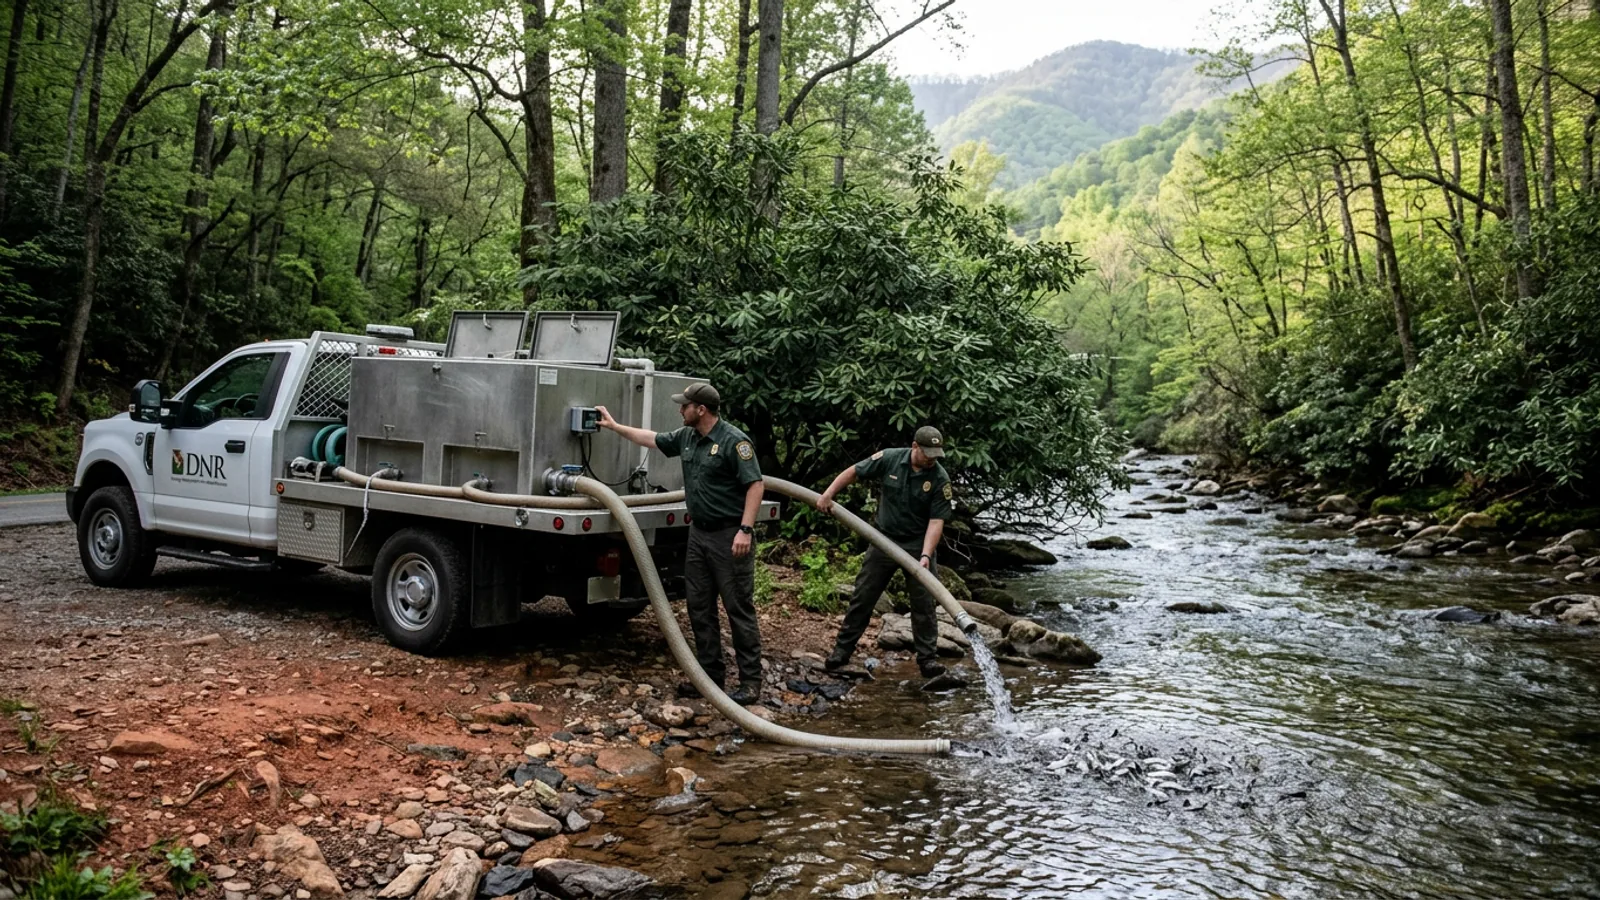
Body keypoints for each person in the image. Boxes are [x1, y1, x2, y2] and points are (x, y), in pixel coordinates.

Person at [595, 382, 766, 705]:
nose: (679, 409)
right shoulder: (687, 437)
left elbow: (755, 485)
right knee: (698, 607)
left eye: (684, 405)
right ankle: (710, 677)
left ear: (701, 409)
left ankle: (750, 682)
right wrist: (615, 427)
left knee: (737, 608)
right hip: (699, 534)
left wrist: (745, 529)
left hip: (729, 535)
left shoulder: (734, 442)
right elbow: (652, 439)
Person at [817, 426, 955, 678]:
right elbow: (854, 472)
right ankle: (841, 652)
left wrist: (925, 555)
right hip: (883, 540)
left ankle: (927, 660)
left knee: (924, 604)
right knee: (863, 597)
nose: (932, 458)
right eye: (928, 453)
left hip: (917, 546)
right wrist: (828, 494)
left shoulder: (939, 478)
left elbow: (937, 522)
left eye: (936, 454)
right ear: (915, 447)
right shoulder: (890, 458)